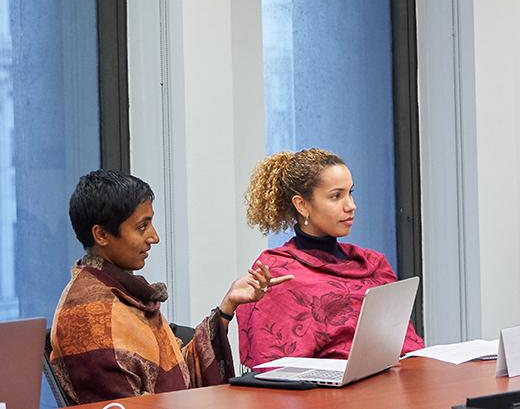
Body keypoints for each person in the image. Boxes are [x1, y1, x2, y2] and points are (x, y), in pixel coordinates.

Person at [50, 170, 292, 404]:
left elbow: (179, 377)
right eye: (141, 227)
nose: (154, 237)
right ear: (101, 235)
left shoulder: (120, 294)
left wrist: (227, 306)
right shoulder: (91, 316)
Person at [237, 148, 424, 368]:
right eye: (336, 196)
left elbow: (402, 344)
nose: (350, 206)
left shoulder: (373, 264)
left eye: (350, 193)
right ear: (302, 205)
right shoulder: (277, 271)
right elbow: (273, 365)